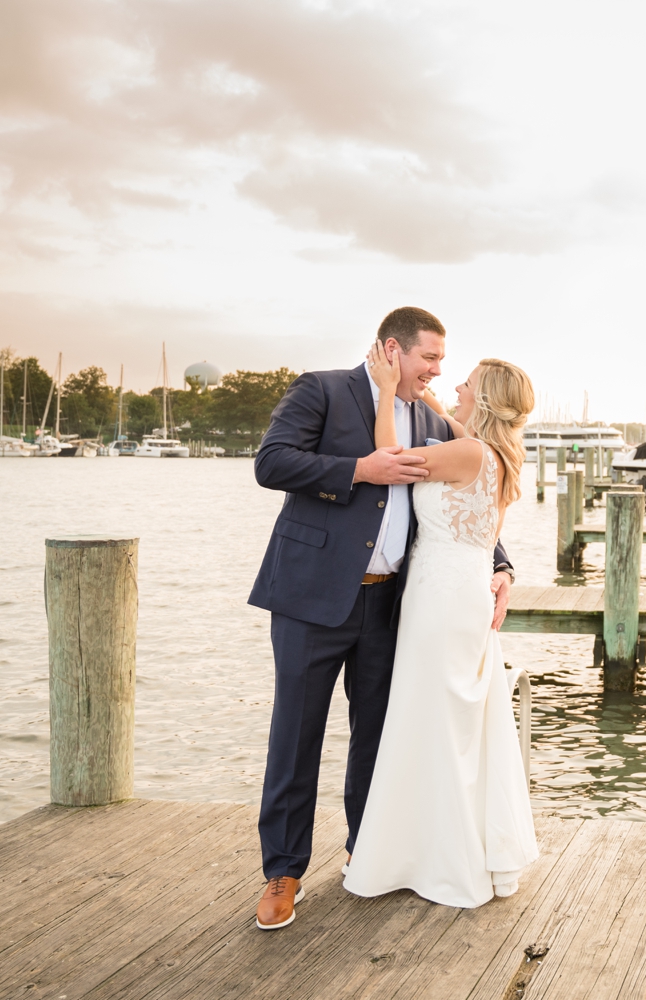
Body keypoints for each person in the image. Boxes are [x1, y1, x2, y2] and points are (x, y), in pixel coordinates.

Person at [248, 307, 515, 931]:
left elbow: (473, 495)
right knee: (297, 734)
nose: (438, 372)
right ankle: (282, 872)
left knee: (378, 733)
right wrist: (357, 471)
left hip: (396, 603)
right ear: (392, 350)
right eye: (430, 359)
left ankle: (368, 852)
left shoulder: (429, 416)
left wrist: (501, 566)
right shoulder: (321, 389)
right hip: (313, 596)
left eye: (446, 364)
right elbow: (272, 463)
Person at [342, 347, 539, 907]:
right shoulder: (493, 453)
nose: (455, 388)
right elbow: (455, 425)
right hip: (465, 591)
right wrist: (422, 393)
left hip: (439, 597)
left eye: (467, 385)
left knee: (429, 718)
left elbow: (389, 456)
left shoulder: (468, 453)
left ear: (486, 400)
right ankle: (448, 847)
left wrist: (386, 389)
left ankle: (436, 855)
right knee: (453, 720)